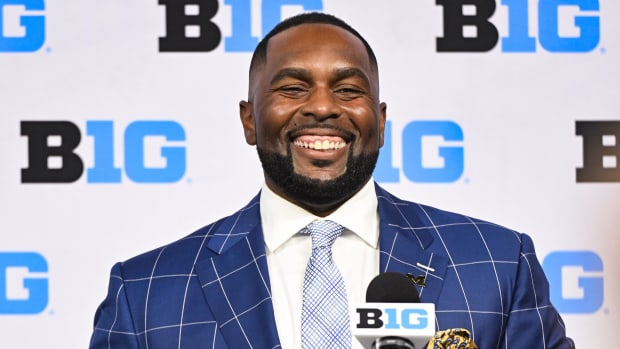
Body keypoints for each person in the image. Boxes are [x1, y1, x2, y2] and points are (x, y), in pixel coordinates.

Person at [89, 12, 574, 349]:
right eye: (293, 88)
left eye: (347, 89)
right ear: (249, 120)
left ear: (380, 121)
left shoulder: (496, 265)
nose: (322, 107)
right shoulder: (147, 293)